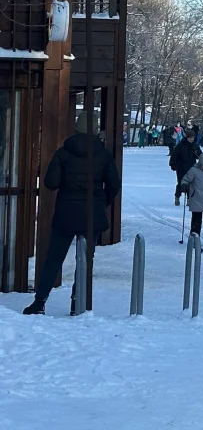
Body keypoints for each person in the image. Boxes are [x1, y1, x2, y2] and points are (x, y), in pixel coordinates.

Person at [23, 114, 121, 315]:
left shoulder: (64, 153)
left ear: (76, 128)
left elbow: (51, 182)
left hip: (66, 213)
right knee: (85, 260)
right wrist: (102, 202)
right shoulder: (103, 154)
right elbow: (114, 184)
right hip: (92, 215)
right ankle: (78, 302)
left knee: (54, 259)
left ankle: (40, 301)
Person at [169, 129, 202, 206]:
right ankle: (177, 196)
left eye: (193, 138)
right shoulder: (180, 145)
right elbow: (174, 155)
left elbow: (200, 155)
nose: (191, 139)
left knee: (191, 184)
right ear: (186, 137)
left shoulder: (195, 145)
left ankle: (189, 199)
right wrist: (173, 164)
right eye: (190, 137)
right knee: (181, 183)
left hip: (192, 168)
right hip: (181, 167)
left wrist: (199, 154)